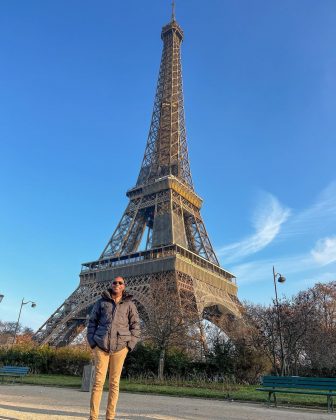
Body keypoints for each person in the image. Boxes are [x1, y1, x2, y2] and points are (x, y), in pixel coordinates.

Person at [87, 276, 140, 420]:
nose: (117, 284)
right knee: (98, 382)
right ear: (111, 284)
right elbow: (92, 322)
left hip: (120, 347)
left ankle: (110, 417)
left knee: (114, 383)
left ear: (124, 286)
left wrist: (129, 345)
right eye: (115, 282)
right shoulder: (101, 302)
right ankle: (93, 416)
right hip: (101, 346)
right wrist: (92, 342)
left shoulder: (129, 304)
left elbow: (135, 326)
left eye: (120, 283)